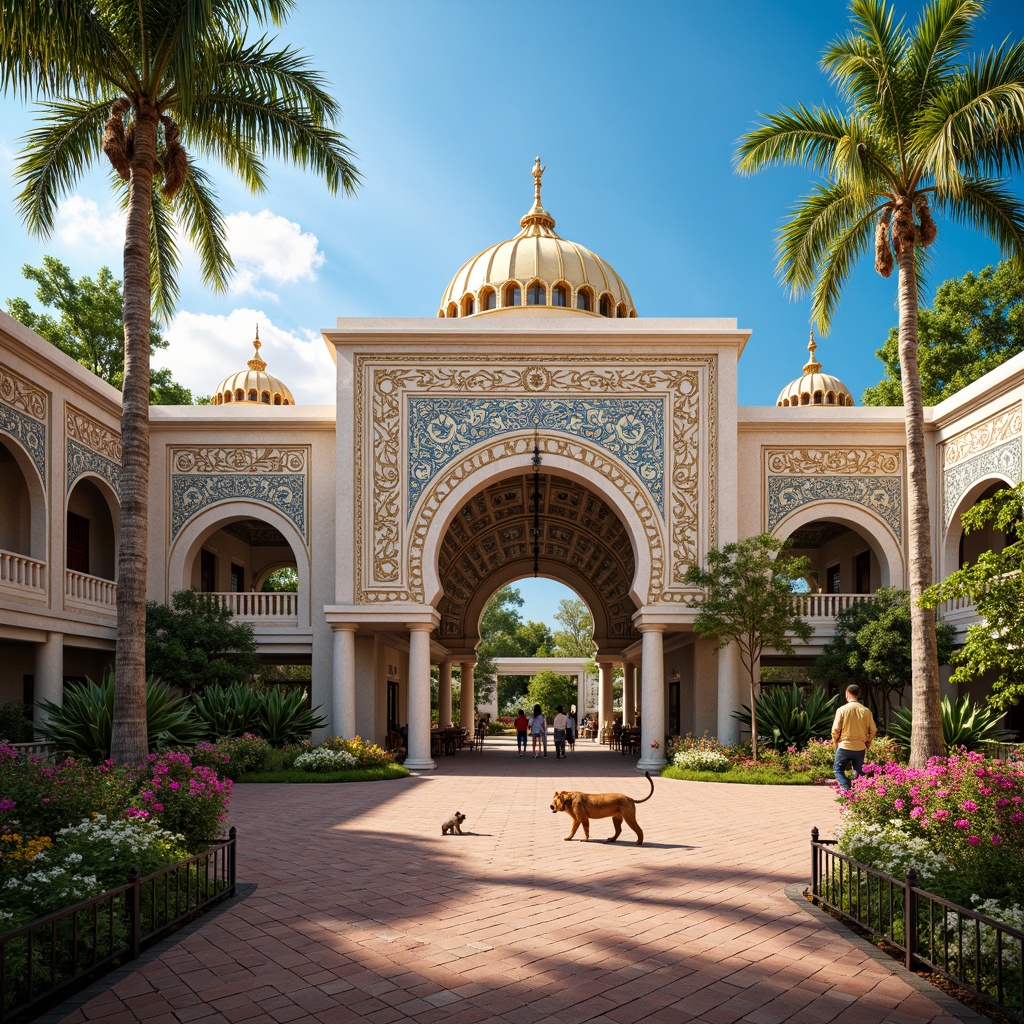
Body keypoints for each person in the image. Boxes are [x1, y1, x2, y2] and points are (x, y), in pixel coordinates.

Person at [831, 684, 877, 791]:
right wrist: (868, 742)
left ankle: (846, 786)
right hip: (860, 747)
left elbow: (835, 729)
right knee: (859, 773)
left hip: (844, 745)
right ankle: (858, 794)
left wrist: (835, 742)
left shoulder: (841, 710)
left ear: (847, 693)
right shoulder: (866, 711)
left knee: (838, 770)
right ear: (858, 694)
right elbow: (873, 729)